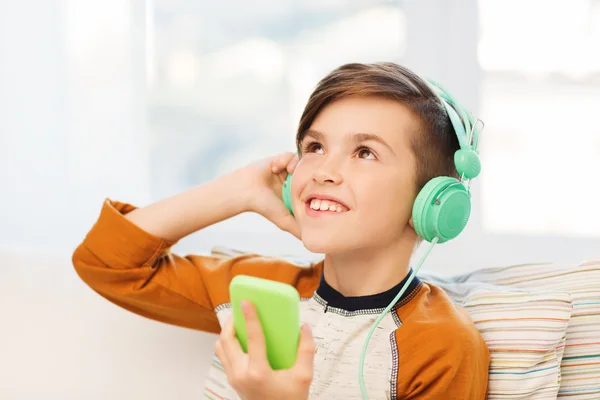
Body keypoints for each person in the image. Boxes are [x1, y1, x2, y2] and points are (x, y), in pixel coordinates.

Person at [72, 62, 490, 399]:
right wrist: (240, 190)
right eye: (314, 147)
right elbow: (104, 263)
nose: (324, 170)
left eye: (365, 152)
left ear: (432, 202)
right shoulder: (251, 288)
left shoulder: (443, 347)